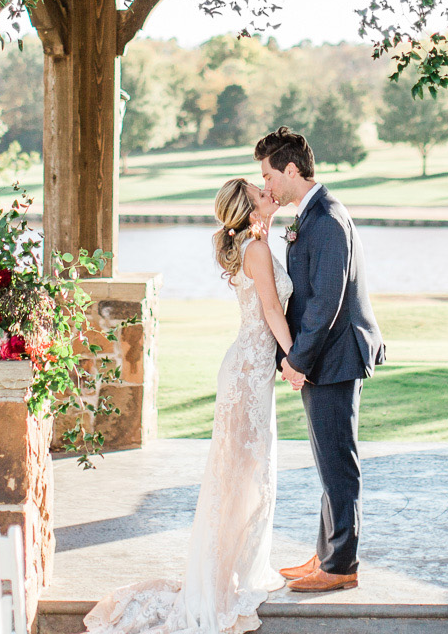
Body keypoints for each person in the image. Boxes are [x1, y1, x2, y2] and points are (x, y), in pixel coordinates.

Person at [83, 177, 294, 634]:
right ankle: (218, 583)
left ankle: (228, 573)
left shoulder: (253, 244)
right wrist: (295, 361)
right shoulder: (256, 250)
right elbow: (272, 312)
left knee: (244, 476)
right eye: (260, 193)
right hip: (246, 375)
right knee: (239, 478)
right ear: (248, 209)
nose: (268, 192)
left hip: (250, 371)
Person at [256, 126, 387, 594]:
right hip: (326, 358)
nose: (266, 184)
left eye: (268, 175)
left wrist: (297, 359)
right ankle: (327, 553)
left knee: (338, 464)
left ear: (291, 170)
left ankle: (341, 566)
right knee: (327, 460)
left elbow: (326, 303)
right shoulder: (310, 215)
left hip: (335, 358)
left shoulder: (327, 218)